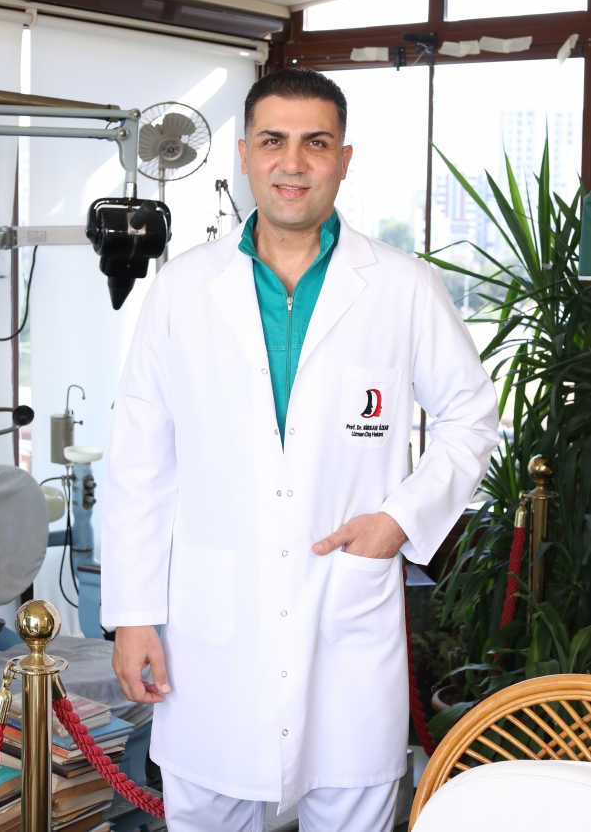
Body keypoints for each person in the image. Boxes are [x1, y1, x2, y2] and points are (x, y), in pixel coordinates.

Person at [101, 68, 499, 832]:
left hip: (344, 617)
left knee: (348, 798)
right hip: (208, 634)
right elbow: (139, 464)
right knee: (209, 808)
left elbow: (470, 417)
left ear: (343, 159)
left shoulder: (402, 287)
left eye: (315, 143)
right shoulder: (181, 290)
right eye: (272, 141)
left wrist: (397, 520)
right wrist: (133, 615)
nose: (292, 163)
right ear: (245, 155)